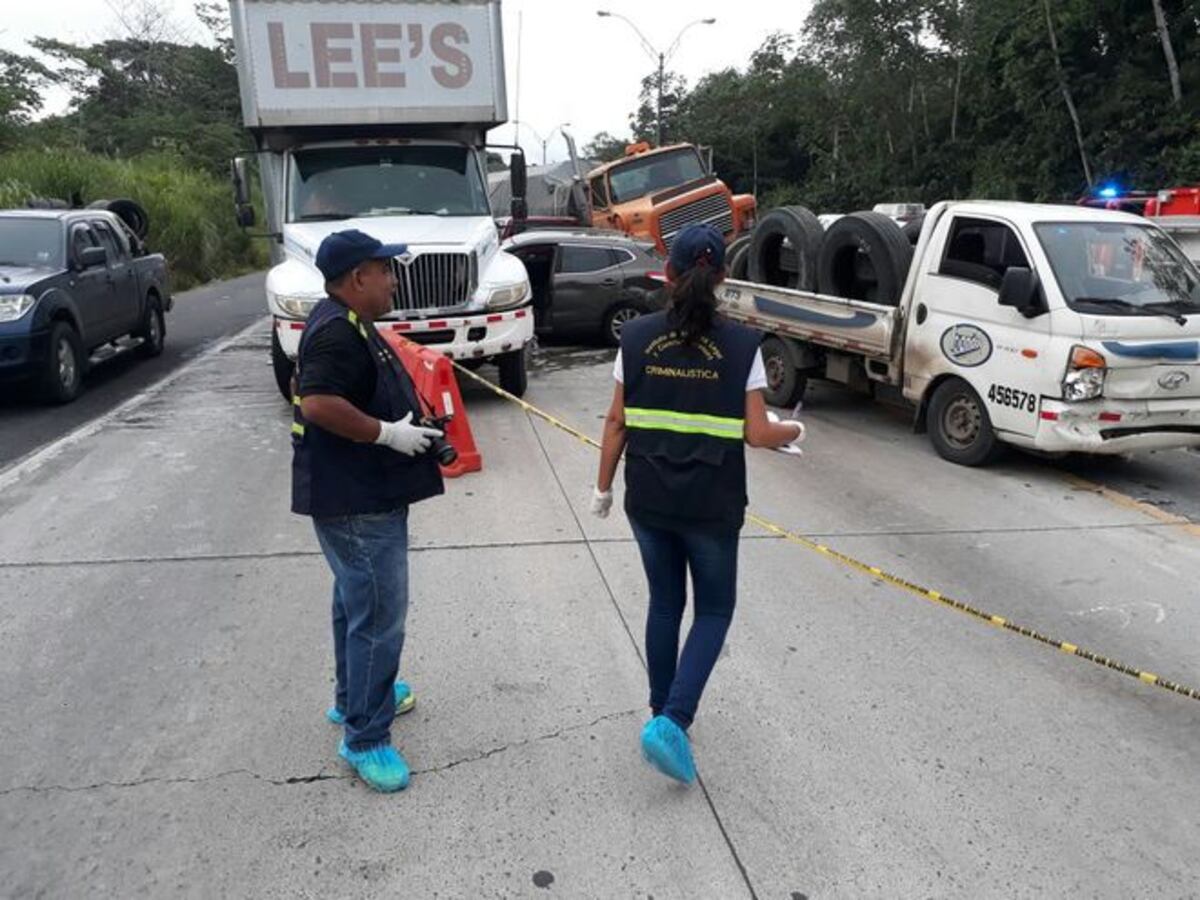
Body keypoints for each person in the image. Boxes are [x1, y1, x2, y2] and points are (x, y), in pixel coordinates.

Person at [590, 223, 805, 785]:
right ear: (722, 280)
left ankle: (662, 711)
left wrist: (603, 486)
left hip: (650, 499)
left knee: (665, 604)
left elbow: (617, 421)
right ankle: (674, 721)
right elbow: (759, 433)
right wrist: (795, 428)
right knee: (712, 610)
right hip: (711, 505)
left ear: (668, 274)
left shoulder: (635, 338)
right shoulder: (741, 346)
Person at [291, 229, 446, 793]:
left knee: (354, 602)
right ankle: (366, 737)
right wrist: (386, 434)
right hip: (355, 499)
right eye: (386, 269)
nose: (394, 278)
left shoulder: (345, 320)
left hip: (350, 492)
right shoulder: (337, 332)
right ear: (359, 277)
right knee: (379, 616)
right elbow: (318, 402)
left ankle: (350, 698)